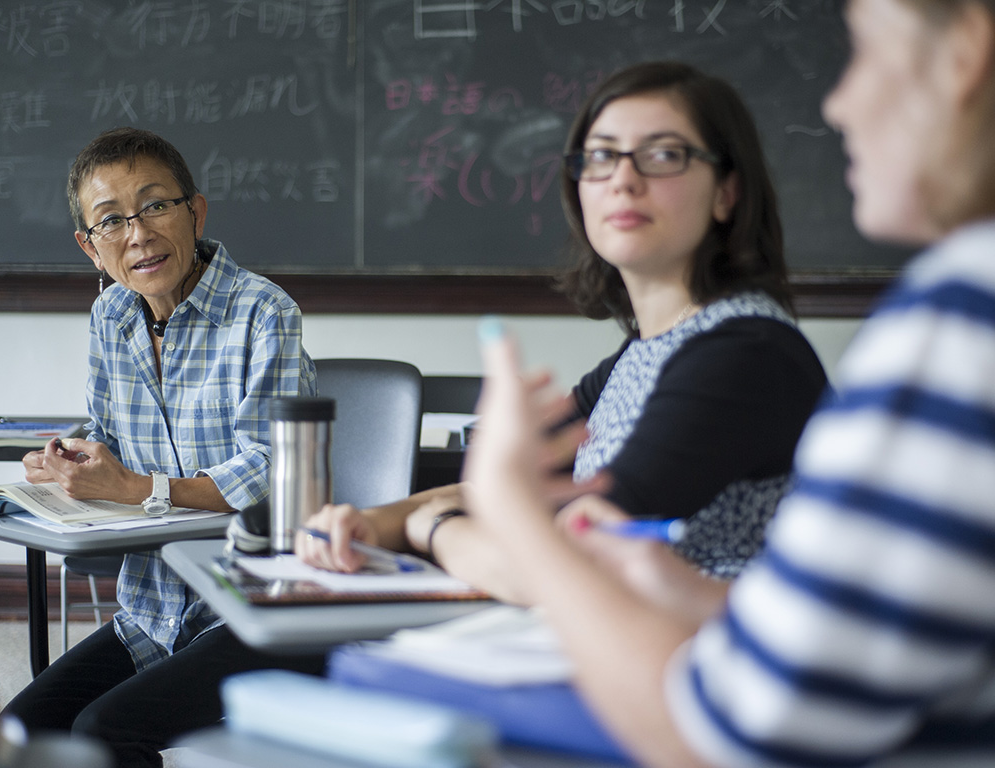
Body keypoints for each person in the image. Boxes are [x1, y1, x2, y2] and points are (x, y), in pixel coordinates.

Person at [462, 0, 995, 765]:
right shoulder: (635, 354)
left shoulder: (954, 319)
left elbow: (729, 735)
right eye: (600, 157)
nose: (840, 104)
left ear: (965, 51)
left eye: (867, 53)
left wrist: (502, 512)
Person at [298, 61, 828, 595]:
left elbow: (569, 569)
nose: (623, 179)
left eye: (664, 154)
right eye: (601, 156)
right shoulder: (642, 353)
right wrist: (374, 523)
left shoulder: (744, 356)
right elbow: (501, 488)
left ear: (726, 192)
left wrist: (432, 530)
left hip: (699, 666)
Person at [3, 127, 322, 767]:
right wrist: (67, 463)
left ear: (195, 211)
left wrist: (135, 489)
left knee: (106, 731)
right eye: (111, 221)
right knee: (20, 728)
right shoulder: (111, 316)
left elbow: (273, 472)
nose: (139, 234)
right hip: (154, 606)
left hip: (257, 605)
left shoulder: (263, 311)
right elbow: (110, 434)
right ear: (90, 248)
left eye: (155, 206)